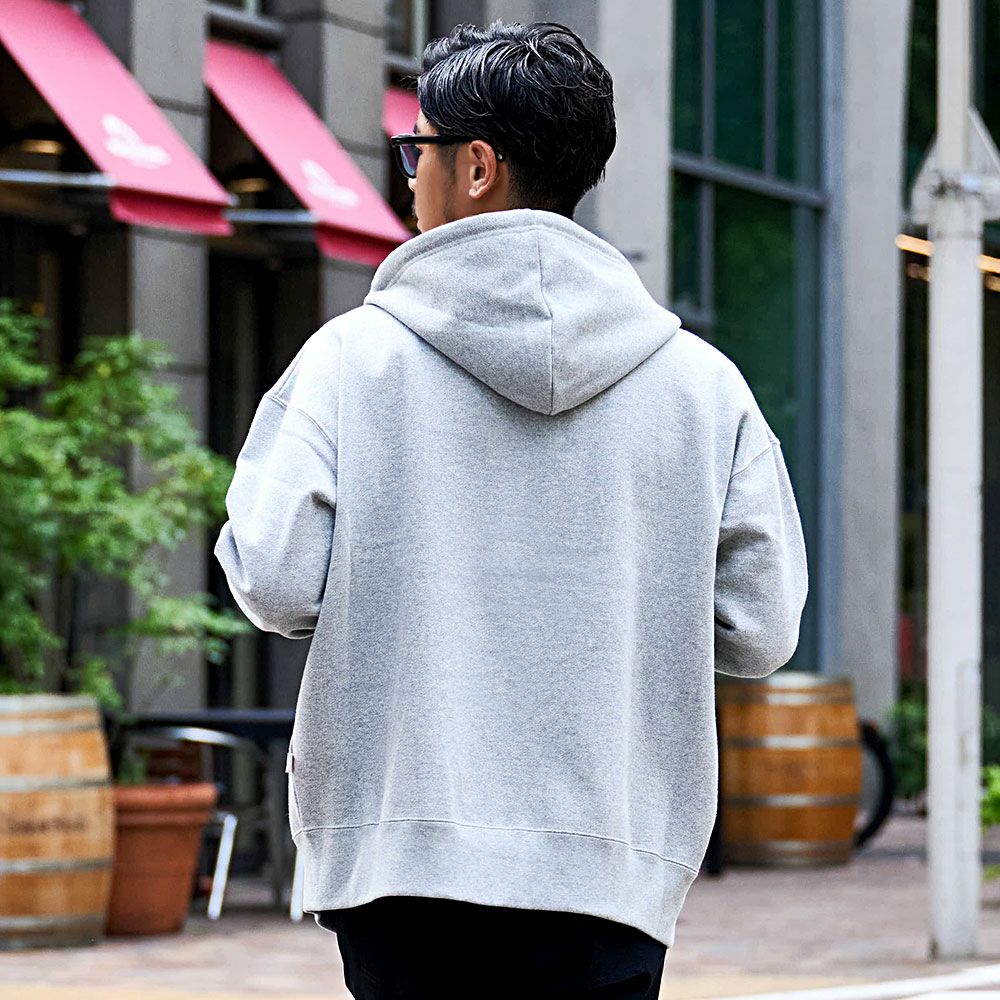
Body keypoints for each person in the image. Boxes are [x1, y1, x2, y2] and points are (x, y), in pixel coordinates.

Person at [213, 18, 809, 1000]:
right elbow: (762, 629)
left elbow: (273, 580)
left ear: (477, 167)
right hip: (610, 871)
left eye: (419, 149)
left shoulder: (348, 363)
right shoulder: (701, 388)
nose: (410, 175)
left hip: (402, 863)